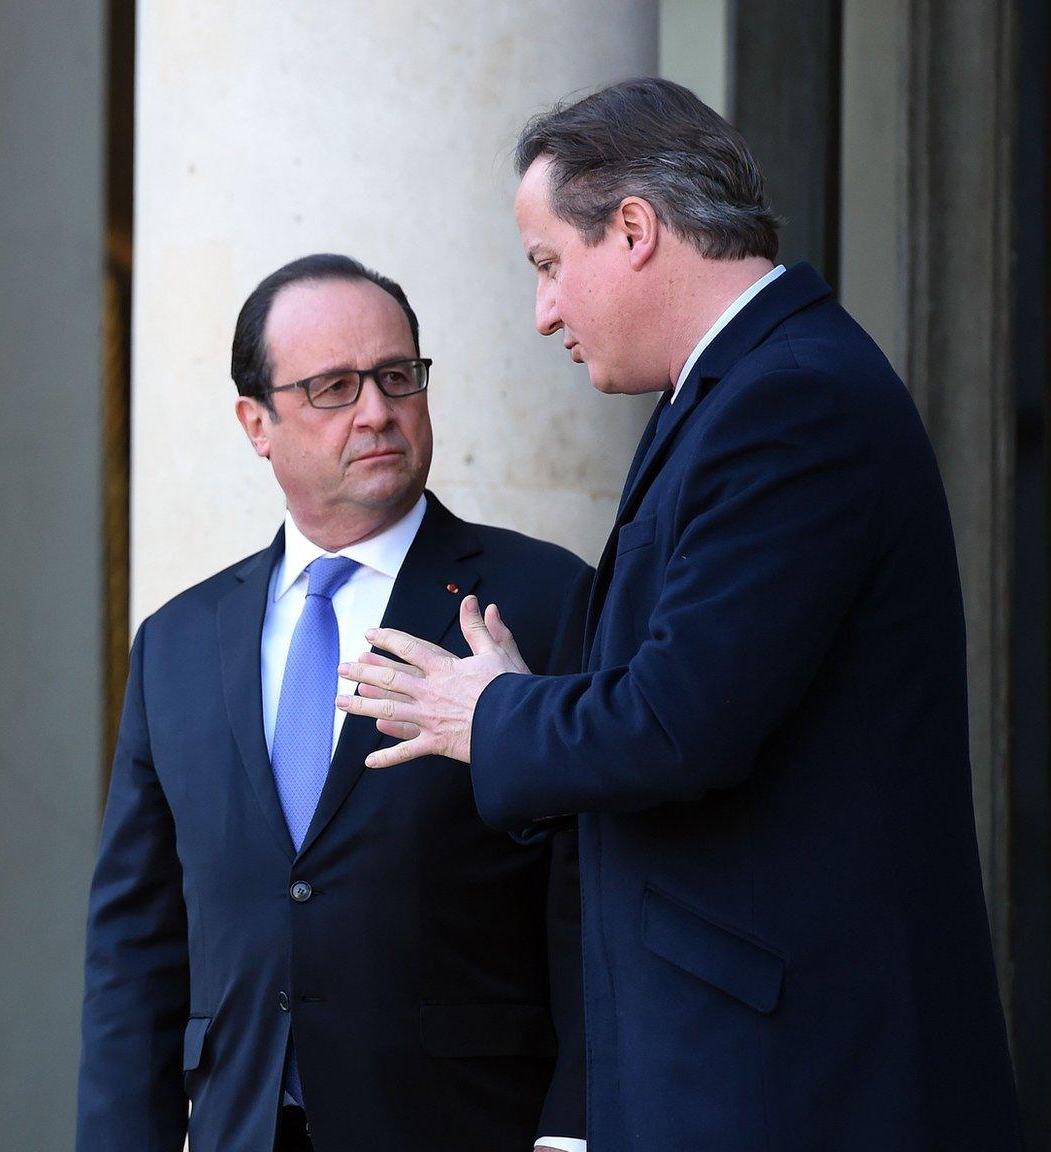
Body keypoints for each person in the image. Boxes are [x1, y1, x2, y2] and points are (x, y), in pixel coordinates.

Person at [338, 79, 1023, 1148]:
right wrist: (534, 703)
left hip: (792, 1086)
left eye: (547, 265)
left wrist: (491, 717)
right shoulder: (737, 394)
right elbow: (701, 697)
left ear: (632, 229)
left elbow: (677, 723)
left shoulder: (786, 401)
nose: (543, 312)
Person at [79, 254, 592, 1151]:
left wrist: (574, 1133)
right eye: (332, 387)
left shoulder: (546, 601)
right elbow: (137, 949)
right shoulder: (179, 643)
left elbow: (595, 899)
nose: (377, 410)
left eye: (398, 376)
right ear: (256, 422)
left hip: (467, 1127)